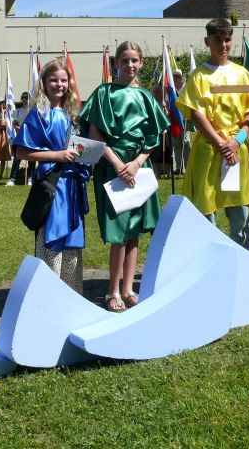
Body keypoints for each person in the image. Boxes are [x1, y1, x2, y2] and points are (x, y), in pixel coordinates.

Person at [80, 40, 169, 312]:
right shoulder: (104, 93)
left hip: (138, 167)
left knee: (135, 231)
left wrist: (137, 163)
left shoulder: (146, 97)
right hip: (113, 165)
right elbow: (94, 133)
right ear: (116, 63)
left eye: (134, 60)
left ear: (141, 63)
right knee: (119, 230)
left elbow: (153, 137)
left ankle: (129, 288)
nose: (130, 65)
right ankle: (112, 290)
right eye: (124, 60)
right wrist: (119, 164)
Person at [176, 17, 249, 251]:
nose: (223, 45)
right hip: (208, 149)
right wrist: (221, 143)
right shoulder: (199, 76)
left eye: (227, 40)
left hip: (236, 148)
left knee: (239, 209)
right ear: (207, 42)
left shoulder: (242, 74)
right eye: (217, 40)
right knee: (205, 208)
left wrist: (236, 141)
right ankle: (208, 258)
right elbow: (196, 114)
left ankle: (242, 258)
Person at [13, 60, 91, 293]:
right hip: (53, 186)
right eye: (54, 80)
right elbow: (21, 151)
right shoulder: (39, 115)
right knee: (52, 239)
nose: (59, 84)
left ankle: (71, 294)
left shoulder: (73, 115)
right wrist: (58, 155)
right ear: (44, 84)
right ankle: (48, 294)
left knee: (72, 245)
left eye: (63, 80)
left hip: (73, 186)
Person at [7, 91, 34, 186]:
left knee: (32, 158)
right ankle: (12, 178)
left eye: (26, 98)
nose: (24, 100)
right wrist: (18, 128)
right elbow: (14, 124)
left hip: (31, 138)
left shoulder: (33, 111)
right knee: (17, 158)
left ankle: (31, 178)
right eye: (23, 98)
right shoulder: (17, 111)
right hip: (21, 137)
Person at [171, 69, 192, 174]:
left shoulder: (186, 89)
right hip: (174, 120)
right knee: (177, 145)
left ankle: (188, 167)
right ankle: (178, 167)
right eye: (174, 76)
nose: (175, 78)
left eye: (177, 76)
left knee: (186, 143)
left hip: (185, 120)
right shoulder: (171, 89)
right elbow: (168, 103)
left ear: (180, 78)